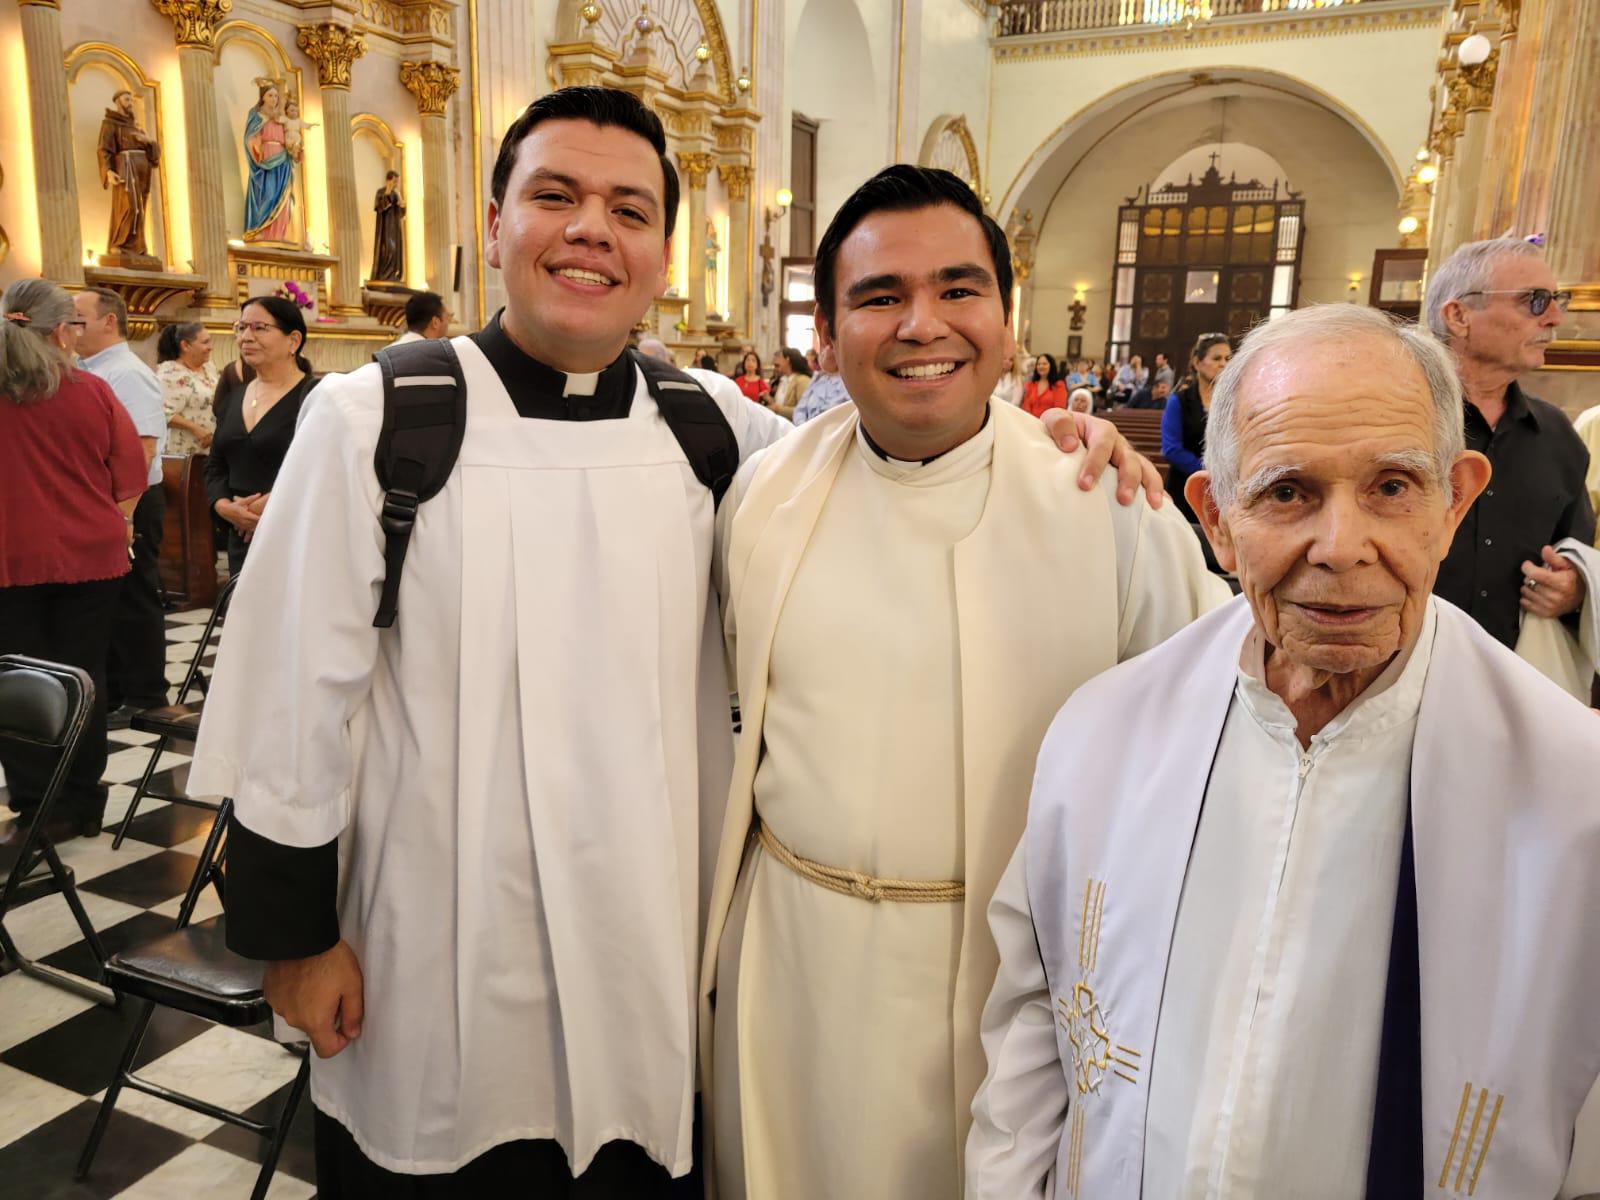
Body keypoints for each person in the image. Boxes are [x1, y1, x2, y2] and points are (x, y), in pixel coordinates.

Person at [188, 86, 797, 1199]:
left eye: (629, 208)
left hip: (644, 939)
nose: (590, 230)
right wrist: (295, 933)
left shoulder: (715, 427)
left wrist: (1056, 444)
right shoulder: (380, 418)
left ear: (663, 250)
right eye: (554, 195)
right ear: (494, 219)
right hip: (434, 941)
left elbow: (881, 482)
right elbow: (290, 695)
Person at [967, 303, 1600, 1198]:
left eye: (1391, 486)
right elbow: (1037, 1025)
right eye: (1288, 492)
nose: (1342, 550)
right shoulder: (1106, 732)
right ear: (1216, 520)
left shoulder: (1577, 795)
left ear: (1455, 499)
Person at [700, 165, 1225, 1200]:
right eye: (879, 296)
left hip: (1007, 981)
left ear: (1006, 314)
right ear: (827, 333)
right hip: (790, 957)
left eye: (956, 289)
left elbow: (1209, 734)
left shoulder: (1106, 505)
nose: (920, 324)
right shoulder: (764, 492)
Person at [0, 280, 147, 847]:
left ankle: (41, 807)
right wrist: (109, 515)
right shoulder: (92, 391)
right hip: (94, 556)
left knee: (21, 686)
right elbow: (131, 475)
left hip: (12, 559)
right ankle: (85, 802)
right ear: (63, 330)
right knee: (84, 680)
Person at [1424, 238, 1596, 670]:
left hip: (1511, 679)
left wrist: (1573, 590)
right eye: (1535, 301)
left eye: (1558, 299)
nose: (1556, 317)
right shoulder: (1394, 419)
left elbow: (1574, 551)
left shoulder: (1556, 435)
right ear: (1459, 315)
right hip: (1388, 675)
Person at [75, 286, 168, 725]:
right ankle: (113, 690)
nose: (72, 328)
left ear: (108, 321)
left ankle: (148, 692)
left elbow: (143, 449)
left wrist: (123, 513)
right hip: (107, 502)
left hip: (132, 501)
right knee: (109, 599)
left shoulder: (125, 372)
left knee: (135, 596)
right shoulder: (91, 369)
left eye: (80, 319)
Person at [204, 297, 318, 576]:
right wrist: (224, 507)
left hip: (295, 533)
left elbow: (323, 467)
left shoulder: (315, 397)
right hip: (242, 535)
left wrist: (268, 504)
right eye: (241, 328)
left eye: (259, 328)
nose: (246, 337)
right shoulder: (235, 398)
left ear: (293, 340)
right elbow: (215, 466)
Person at [1162, 332, 1231, 523]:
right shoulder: (1179, 401)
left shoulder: (1233, 401)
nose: (1223, 364)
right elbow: (1171, 449)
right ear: (1197, 363)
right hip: (1185, 487)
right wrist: (1210, 470)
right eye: (1216, 358)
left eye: (1227, 358)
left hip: (1224, 492)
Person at [156, 321, 218, 456]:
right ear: (185, 346)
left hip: (210, 451)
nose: (210, 347)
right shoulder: (170, 372)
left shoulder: (209, 367)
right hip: (183, 452)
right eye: (205, 342)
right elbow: (161, 413)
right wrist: (195, 429)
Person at [370, 170, 406, 282]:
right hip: (385, 228)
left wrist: (400, 198)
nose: (396, 184)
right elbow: (380, 207)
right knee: (387, 250)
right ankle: (384, 274)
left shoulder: (396, 194)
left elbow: (402, 213)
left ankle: (392, 274)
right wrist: (388, 193)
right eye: (394, 181)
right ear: (388, 180)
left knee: (395, 252)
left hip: (394, 228)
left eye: (397, 182)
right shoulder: (380, 192)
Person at [1021, 351, 1066, 417]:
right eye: (1038, 364)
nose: (1041, 366)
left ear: (1051, 366)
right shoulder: (1031, 385)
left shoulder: (1059, 385)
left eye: (1044, 364)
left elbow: (1059, 409)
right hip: (1031, 422)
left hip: (1049, 423)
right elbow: (1026, 406)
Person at [770, 346, 811, 419]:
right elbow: (780, 402)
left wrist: (778, 409)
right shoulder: (783, 380)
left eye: (779, 357)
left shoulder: (802, 380)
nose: (775, 361)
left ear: (787, 360)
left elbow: (805, 411)